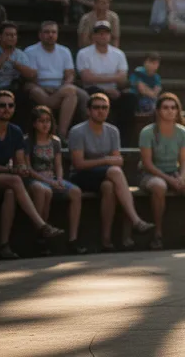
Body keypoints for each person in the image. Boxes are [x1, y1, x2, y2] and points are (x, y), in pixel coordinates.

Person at [0, 91, 65, 259]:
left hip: (4, 178)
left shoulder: (15, 131)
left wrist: (23, 168)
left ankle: (4, 246)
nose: (6, 109)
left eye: (10, 105)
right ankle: (41, 225)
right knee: (15, 180)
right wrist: (11, 171)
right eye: (2, 105)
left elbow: (20, 161)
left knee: (11, 193)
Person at [68, 93, 154, 251]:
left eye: (104, 107)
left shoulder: (113, 131)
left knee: (109, 187)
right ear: (88, 110)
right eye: (96, 107)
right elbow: (78, 163)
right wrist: (106, 161)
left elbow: (119, 160)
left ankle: (106, 240)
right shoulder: (77, 131)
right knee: (114, 172)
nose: (100, 111)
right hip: (80, 176)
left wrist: (108, 162)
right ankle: (135, 220)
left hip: (103, 175)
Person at [135, 93, 185, 250]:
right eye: (166, 107)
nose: (170, 111)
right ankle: (157, 235)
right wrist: (169, 179)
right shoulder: (147, 132)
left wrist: (181, 177)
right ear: (158, 111)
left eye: (173, 108)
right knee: (159, 186)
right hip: (151, 174)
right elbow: (147, 164)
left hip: (173, 172)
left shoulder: (182, 132)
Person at [24, 105, 86, 255]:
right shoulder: (27, 141)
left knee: (76, 192)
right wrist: (48, 181)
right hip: (34, 179)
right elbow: (28, 169)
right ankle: (40, 237)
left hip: (52, 177)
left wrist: (58, 178)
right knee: (43, 191)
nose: (45, 124)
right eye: (41, 121)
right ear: (34, 124)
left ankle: (73, 240)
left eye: (48, 121)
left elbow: (58, 165)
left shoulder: (55, 141)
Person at [75, 20, 136, 143]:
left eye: (106, 33)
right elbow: (86, 78)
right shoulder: (83, 53)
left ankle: (125, 142)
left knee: (130, 98)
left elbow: (123, 78)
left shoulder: (119, 54)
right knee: (95, 92)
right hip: (92, 92)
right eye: (99, 33)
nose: (103, 35)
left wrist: (98, 77)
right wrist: (110, 81)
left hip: (114, 91)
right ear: (93, 35)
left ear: (110, 36)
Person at [23, 21, 85, 137]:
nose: (50, 35)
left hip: (59, 87)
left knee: (74, 93)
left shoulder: (64, 51)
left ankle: (61, 134)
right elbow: (32, 76)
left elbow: (70, 74)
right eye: (47, 32)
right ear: (40, 34)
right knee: (34, 89)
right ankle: (52, 129)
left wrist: (63, 86)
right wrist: (45, 88)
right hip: (38, 86)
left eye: (53, 32)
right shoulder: (30, 51)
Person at [0, 21, 36, 106]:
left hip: (7, 89)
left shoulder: (20, 54)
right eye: (8, 35)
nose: (12, 37)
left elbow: (31, 75)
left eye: (14, 35)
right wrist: (4, 56)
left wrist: (15, 64)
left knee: (27, 97)